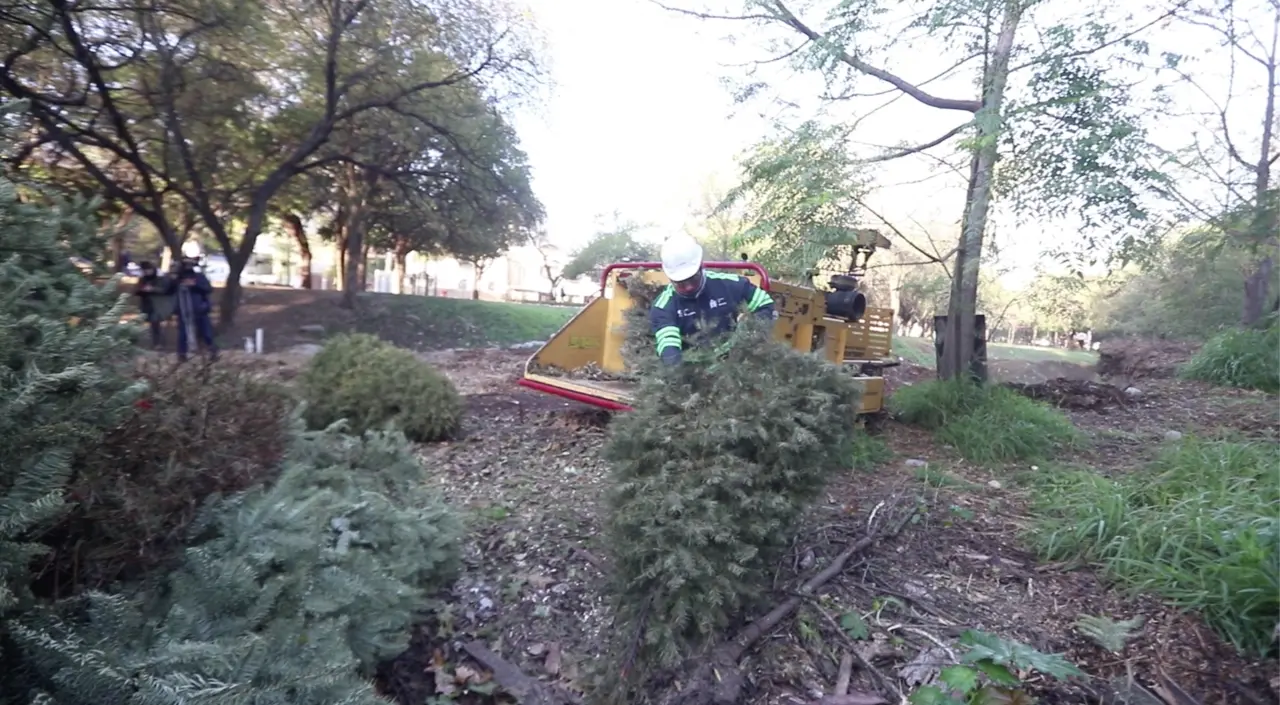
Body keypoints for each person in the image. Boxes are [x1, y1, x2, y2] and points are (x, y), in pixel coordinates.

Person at [649, 233, 776, 365]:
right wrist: (677, 370)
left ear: (701, 266)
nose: (688, 287)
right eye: (680, 283)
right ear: (670, 278)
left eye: (693, 279)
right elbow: (669, 347)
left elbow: (764, 304)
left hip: (736, 359)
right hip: (693, 365)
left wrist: (749, 331)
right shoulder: (663, 307)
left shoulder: (733, 285)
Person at [167, 256, 218, 362]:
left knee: (206, 332)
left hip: (200, 308)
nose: (188, 266)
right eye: (186, 264)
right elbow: (168, 290)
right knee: (183, 334)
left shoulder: (199, 276)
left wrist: (194, 285)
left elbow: (208, 289)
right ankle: (182, 355)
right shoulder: (178, 278)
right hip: (183, 310)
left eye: (191, 264)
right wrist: (174, 278)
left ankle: (213, 352)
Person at [133, 261, 168, 349]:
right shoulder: (143, 279)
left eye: (148, 270)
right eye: (145, 270)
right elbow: (136, 291)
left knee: (155, 323)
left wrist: (153, 289)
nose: (147, 272)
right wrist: (142, 290)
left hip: (157, 305)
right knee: (145, 324)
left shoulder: (159, 279)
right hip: (146, 304)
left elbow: (164, 291)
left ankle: (158, 343)